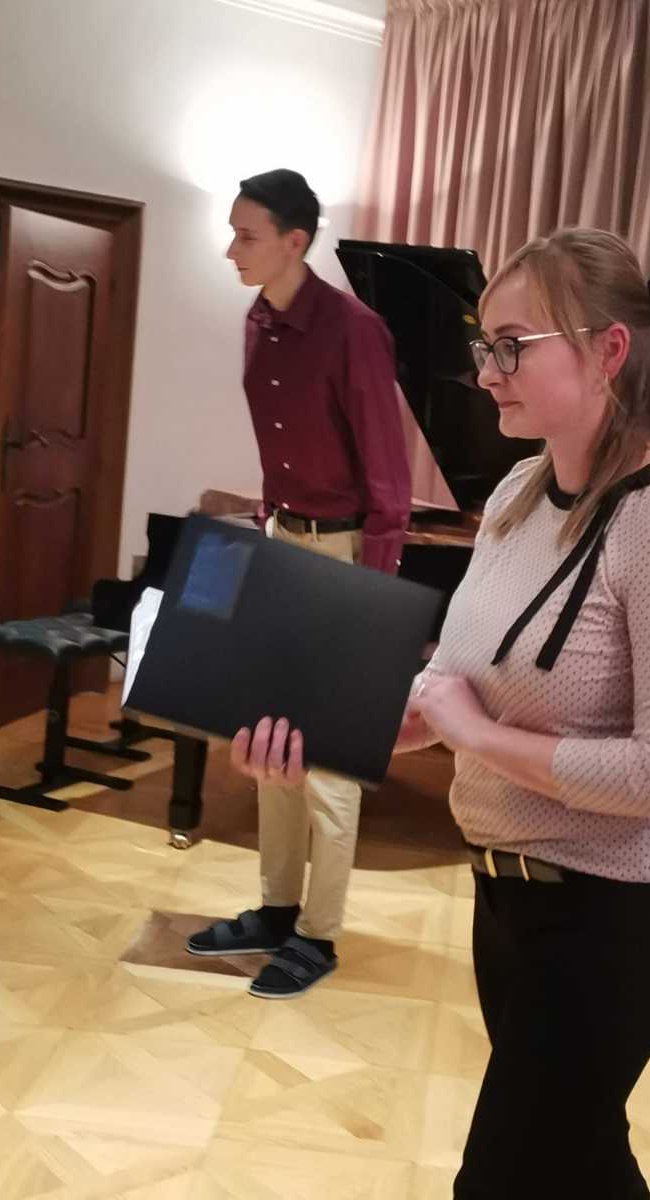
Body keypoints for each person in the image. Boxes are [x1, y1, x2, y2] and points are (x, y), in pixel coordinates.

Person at [232, 227, 650, 1195]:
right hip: (505, 896)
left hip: (614, 916)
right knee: (584, 1164)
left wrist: (475, 733)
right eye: (484, 346)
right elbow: (451, 695)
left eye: (512, 346)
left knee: (503, 1177)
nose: (484, 373)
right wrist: (327, 737)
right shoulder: (516, 492)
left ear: (608, 350)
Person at [186, 168, 411, 999]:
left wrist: (374, 599)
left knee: (329, 760)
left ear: (295, 242)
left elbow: (388, 474)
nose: (231, 249)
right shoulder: (257, 321)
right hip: (282, 543)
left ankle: (319, 934)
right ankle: (277, 908)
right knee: (269, 739)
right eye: (232, 232)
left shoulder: (354, 330)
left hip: (344, 555)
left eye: (245, 235)